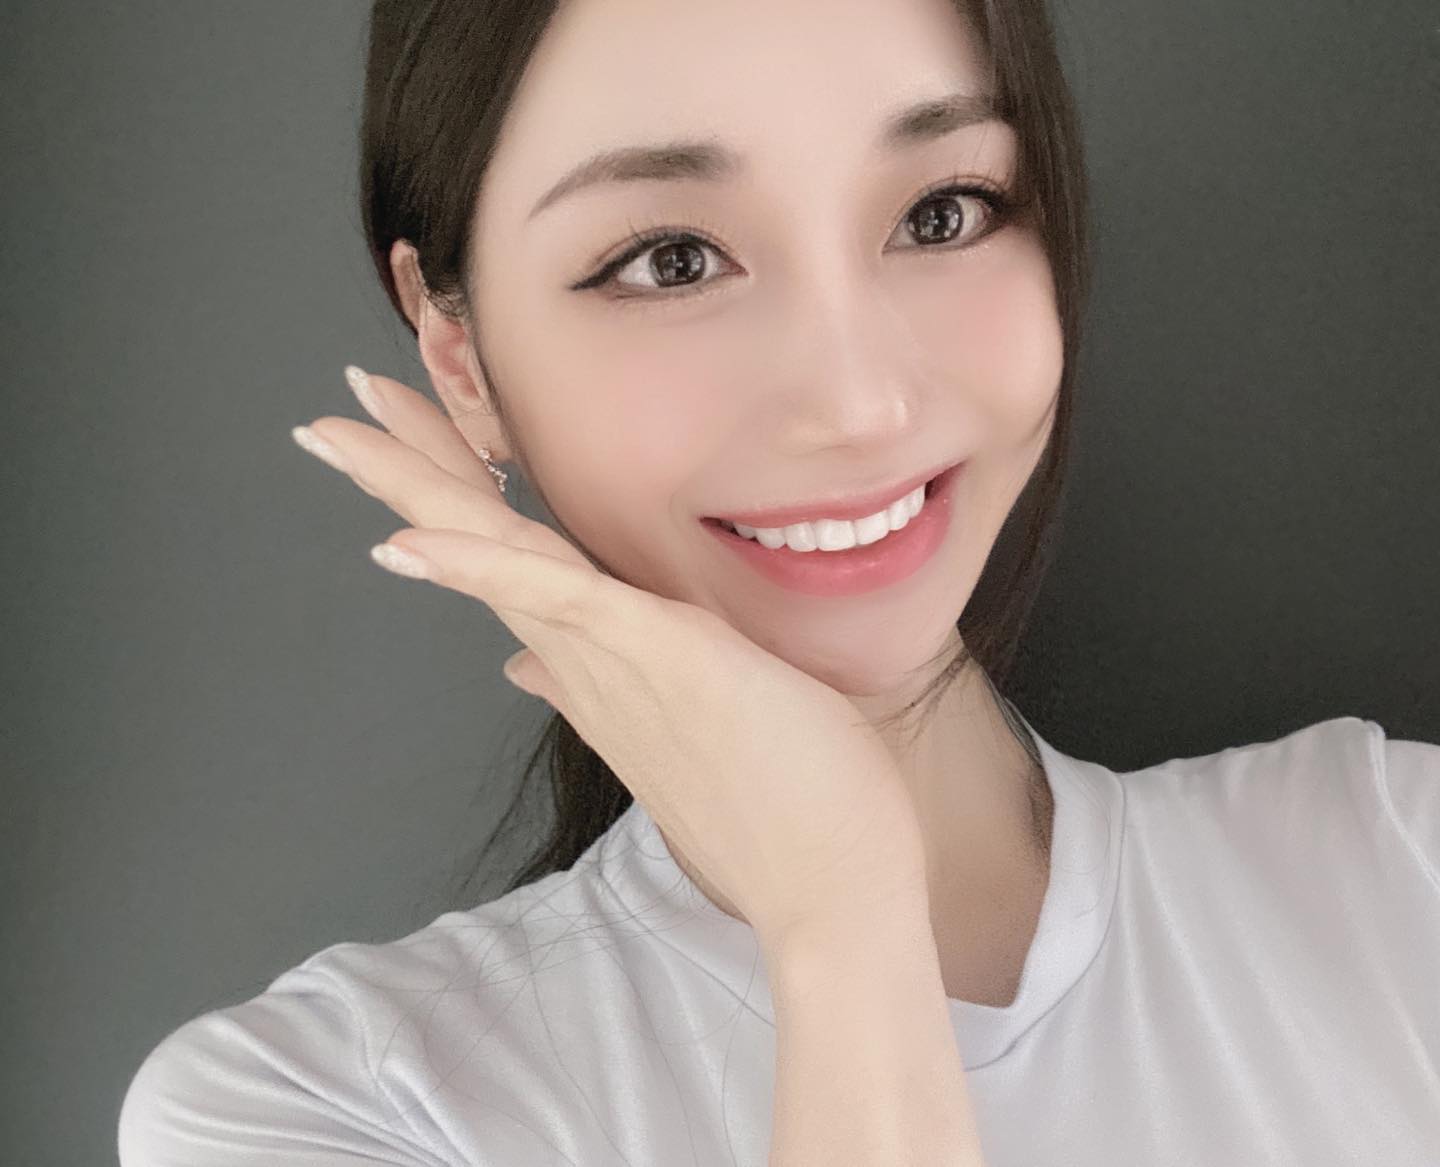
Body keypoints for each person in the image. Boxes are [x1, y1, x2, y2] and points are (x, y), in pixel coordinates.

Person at [117, 0, 1440, 1163]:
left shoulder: (1401, 868)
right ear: (458, 354)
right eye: (671, 260)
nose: (859, 404)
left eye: (941, 214)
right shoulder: (328, 1110)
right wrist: (839, 928)